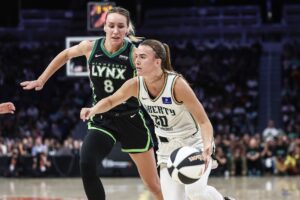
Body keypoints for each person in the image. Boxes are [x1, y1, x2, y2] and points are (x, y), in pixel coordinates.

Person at [20, 7, 163, 200]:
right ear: (104, 26)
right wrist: (41, 80)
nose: (115, 30)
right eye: (111, 25)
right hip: (103, 118)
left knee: (153, 185)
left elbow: (155, 79)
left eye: (121, 26)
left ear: (127, 29)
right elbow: (65, 55)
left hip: (130, 119)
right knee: (86, 163)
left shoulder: (134, 54)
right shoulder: (90, 48)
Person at [80, 39, 235, 200]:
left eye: (142, 57)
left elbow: (204, 121)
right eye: (136, 57)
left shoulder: (176, 84)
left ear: (157, 62)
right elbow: (111, 100)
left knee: (195, 193)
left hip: (193, 144)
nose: (137, 61)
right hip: (166, 150)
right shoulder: (135, 84)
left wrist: (208, 144)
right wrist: (93, 110)